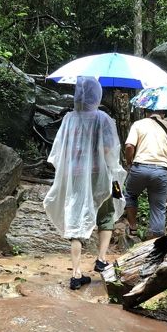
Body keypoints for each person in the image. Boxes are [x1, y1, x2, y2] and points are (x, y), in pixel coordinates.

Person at [44, 76, 126, 290]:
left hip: (76, 177)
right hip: (101, 175)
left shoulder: (69, 119)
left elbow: (59, 152)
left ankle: (77, 273)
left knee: (76, 218)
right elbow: (109, 151)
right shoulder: (103, 119)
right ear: (97, 95)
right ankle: (101, 258)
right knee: (107, 214)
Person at [124, 110, 167, 240]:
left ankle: (133, 228)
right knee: (158, 206)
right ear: (163, 113)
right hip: (161, 170)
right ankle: (155, 240)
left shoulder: (138, 124)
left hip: (140, 168)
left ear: (146, 112)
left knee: (130, 194)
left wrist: (129, 162)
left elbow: (129, 146)